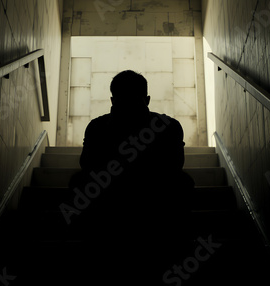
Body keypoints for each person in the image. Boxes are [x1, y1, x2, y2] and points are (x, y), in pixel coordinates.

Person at [69, 70, 194, 284]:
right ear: (146, 99)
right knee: (184, 181)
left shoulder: (97, 127)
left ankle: (93, 249)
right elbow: (175, 166)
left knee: (77, 181)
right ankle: (172, 249)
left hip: (108, 208)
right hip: (156, 208)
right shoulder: (169, 126)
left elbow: (87, 165)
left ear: (112, 99)